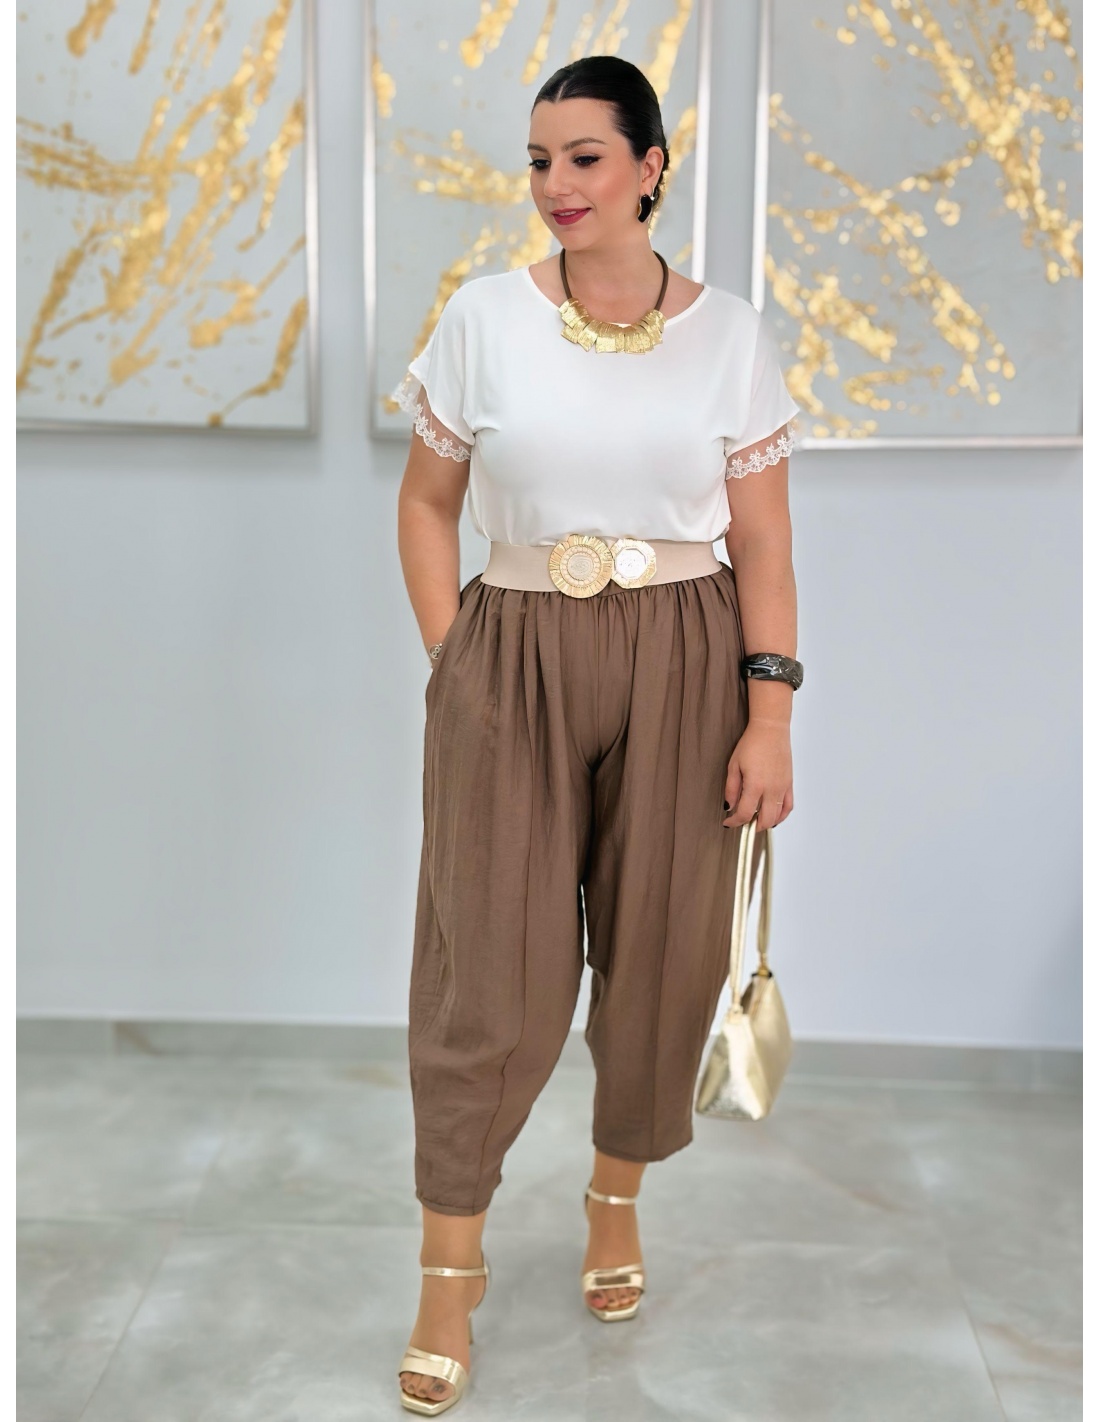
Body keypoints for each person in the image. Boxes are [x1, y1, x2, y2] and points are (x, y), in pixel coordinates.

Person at [391, 54, 802, 1416]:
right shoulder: (483, 318)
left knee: (665, 953)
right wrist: (457, 661)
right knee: (487, 977)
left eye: (583, 157)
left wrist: (770, 715)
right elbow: (427, 504)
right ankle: (449, 1270)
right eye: (538, 160)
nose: (555, 185)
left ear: (648, 167)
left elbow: (764, 545)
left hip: (689, 654)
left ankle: (613, 1197)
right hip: (510, 653)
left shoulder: (731, 334)